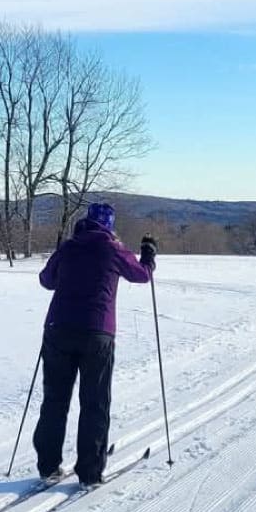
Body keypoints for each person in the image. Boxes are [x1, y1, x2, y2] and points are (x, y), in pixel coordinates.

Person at [32, 202, 156, 486]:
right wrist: (148, 253)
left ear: (85, 222)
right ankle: (89, 472)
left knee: (54, 400)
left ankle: (48, 466)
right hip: (97, 332)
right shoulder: (113, 248)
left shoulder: (68, 247)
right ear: (109, 226)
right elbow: (142, 274)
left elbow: (45, 280)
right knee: (95, 402)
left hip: (57, 329)